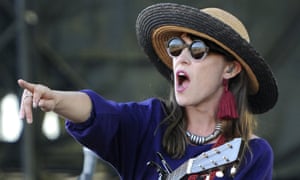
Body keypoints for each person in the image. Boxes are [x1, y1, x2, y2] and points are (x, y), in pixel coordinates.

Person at [18, 2, 278, 180]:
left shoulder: (252, 155)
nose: (181, 58)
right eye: (176, 47)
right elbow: (99, 112)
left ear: (230, 69)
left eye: (197, 50)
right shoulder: (150, 122)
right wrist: (55, 99)